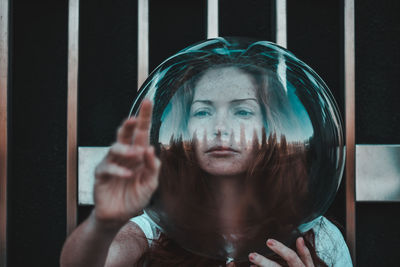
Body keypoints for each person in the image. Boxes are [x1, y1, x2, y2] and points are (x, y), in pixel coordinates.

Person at [60, 58, 352, 267]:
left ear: (273, 127)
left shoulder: (319, 236)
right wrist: (104, 221)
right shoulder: (157, 228)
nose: (220, 127)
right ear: (182, 127)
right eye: (202, 112)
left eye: (242, 112)